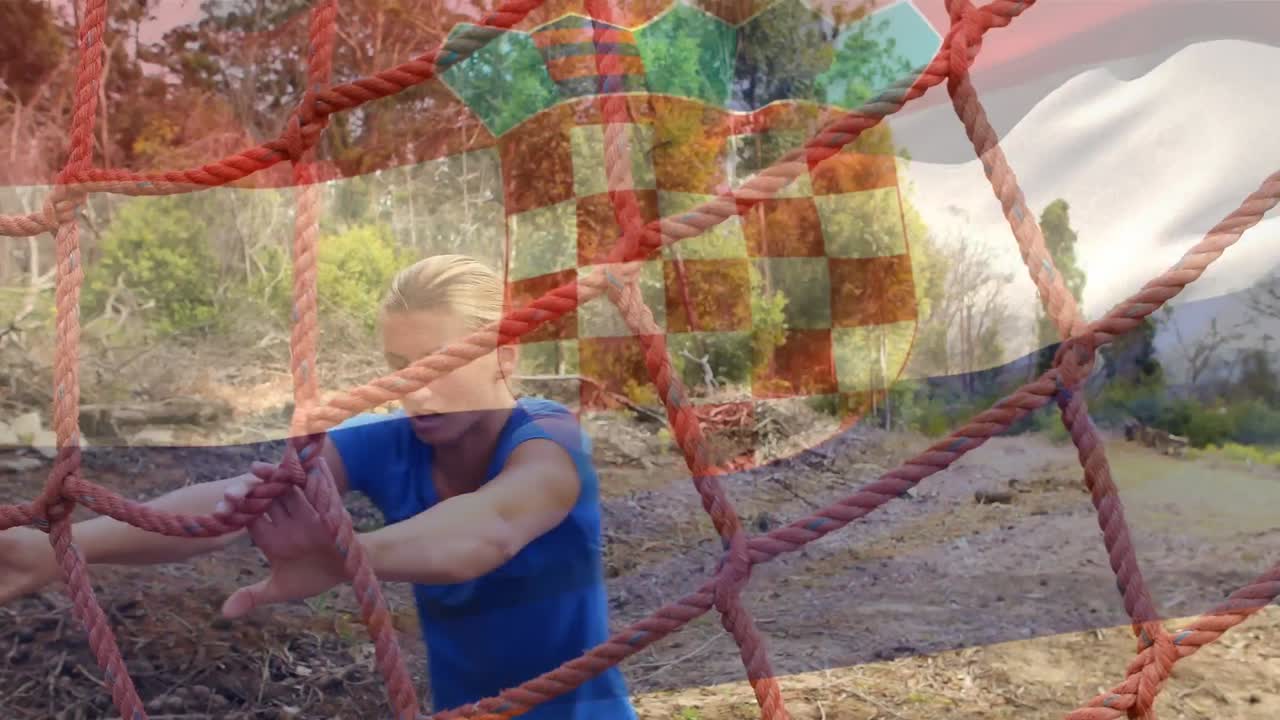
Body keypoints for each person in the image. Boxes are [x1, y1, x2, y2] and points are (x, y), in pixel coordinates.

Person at [0, 254, 638, 720]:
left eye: (445, 361)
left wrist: (344, 556)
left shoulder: (550, 436)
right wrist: (67, 547)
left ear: (505, 357)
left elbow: (490, 528)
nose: (416, 388)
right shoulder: (393, 436)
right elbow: (241, 498)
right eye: (399, 367)